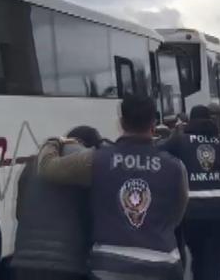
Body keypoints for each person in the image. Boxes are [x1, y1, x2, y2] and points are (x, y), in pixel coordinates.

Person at [36, 95, 189, 280]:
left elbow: (48, 168)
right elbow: (177, 214)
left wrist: (53, 142)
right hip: (162, 265)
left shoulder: (96, 160)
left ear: (121, 122)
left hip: (108, 266)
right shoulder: (175, 167)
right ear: (153, 124)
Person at [11, 125, 103, 280]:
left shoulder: (32, 164)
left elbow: (20, 212)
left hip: (24, 260)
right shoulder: (87, 165)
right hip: (67, 264)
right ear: (91, 146)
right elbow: (92, 216)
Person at [159, 105, 220, 280]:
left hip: (192, 210)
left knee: (197, 254)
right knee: (213, 255)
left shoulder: (180, 141)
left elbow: (158, 152)